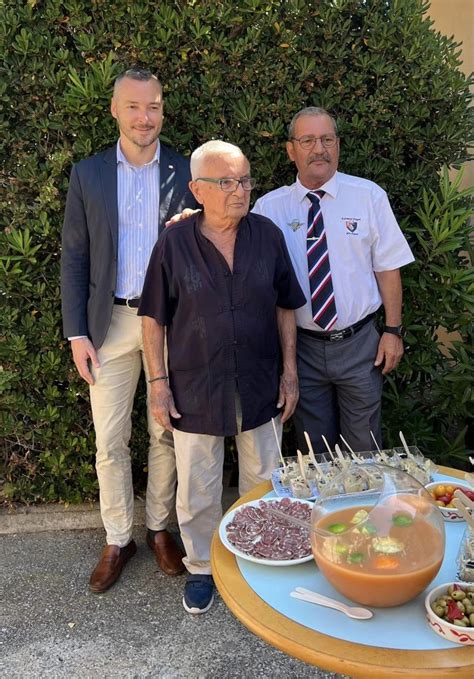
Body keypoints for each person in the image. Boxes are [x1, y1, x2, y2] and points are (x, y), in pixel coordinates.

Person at [139, 140, 306, 614]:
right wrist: (157, 382)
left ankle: (257, 562)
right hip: (196, 386)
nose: (240, 190)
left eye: (246, 179)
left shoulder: (267, 235)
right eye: (227, 182)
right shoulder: (174, 241)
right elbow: (153, 318)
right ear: (197, 189)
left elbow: (285, 306)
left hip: (259, 381)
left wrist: (289, 372)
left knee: (263, 481)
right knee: (198, 489)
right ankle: (201, 568)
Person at [60, 67, 197, 593]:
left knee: (167, 433)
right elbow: (74, 258)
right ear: (115, 109)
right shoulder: (88, 174)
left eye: (154, 106)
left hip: (170, 323)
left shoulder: (187, 171)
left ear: (163, 110)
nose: (145, 117)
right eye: (134, 106)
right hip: (110, 324)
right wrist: (77, 333)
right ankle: (119, 537)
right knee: (109, 440)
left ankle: (160, 529)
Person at [253, 106, 415, 454]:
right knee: (315, 452)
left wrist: (393, 331)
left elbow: (388, 267)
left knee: (365, 448)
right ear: (290, 149)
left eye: (327, 139)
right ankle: (325, 511)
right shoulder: (268, 209)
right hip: (302, 349)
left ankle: (365, 509)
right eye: (308, 140)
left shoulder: (369, 196)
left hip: (361, 346)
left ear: (338, 146)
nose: (319, 149)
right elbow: (234, 247)